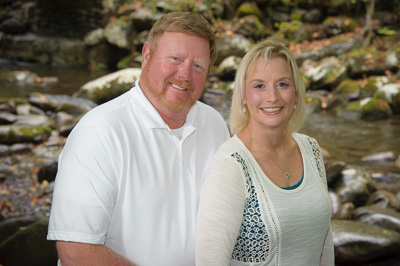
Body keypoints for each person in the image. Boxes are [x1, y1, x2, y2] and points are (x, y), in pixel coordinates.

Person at [47, 12, 230, 266]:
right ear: (147, 55)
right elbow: (77, 251)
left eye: (198, 66)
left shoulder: (215, 125)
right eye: (175, 59)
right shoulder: (99, 131)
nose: (185, 74)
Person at [195, 39, 334, 265]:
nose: (272, 97)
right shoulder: (230, 165)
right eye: (259, 86)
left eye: (283, 84)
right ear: (243, 96)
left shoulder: (311, 149)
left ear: (296, 93)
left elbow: (325, 244)